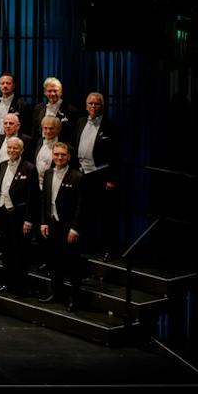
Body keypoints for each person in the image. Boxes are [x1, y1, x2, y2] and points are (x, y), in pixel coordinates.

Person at [66, 91, 121, 257]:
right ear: (85, 105)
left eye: (97, 104)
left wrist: (112, 178)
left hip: (100, 174)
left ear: (102, 106)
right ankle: (87, 246)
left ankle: (109, 249)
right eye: (90, 103)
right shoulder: (80, 122)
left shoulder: (111, 126)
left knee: (105, 214)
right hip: (82, 173)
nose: (93, 106)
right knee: (84, 212)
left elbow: (117, 155)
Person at [35, 142, 88, 310]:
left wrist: (75, 228)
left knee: (72, 264)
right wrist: (43, 221)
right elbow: (44, 200)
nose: (59, 157)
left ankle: (74, 298)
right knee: (53, 261)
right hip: (52, 224)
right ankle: (56, 293)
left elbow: (82, 205)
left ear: (69, 157)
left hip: (69, 227)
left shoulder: (77, 176)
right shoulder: (48, 173)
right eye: (56, 154)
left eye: (62, 155)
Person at [0, 134, 35, 294]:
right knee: (6, 249)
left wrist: (28, 220)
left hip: (19, 215)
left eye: (15, 148)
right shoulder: (3, 165)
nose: (12, 150)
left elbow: (32, 196)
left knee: (19, 251)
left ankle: (20, 286)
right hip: (3, 213)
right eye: (9, 147)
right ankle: (7, 283)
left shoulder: (29, 168)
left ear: (22, 150)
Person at [0, 72, 28, 138]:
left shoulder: (21, 104)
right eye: (2, 83)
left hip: (13, 139)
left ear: (13, 85)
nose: (5, 86)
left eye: (8, 83)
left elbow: (25, 127)